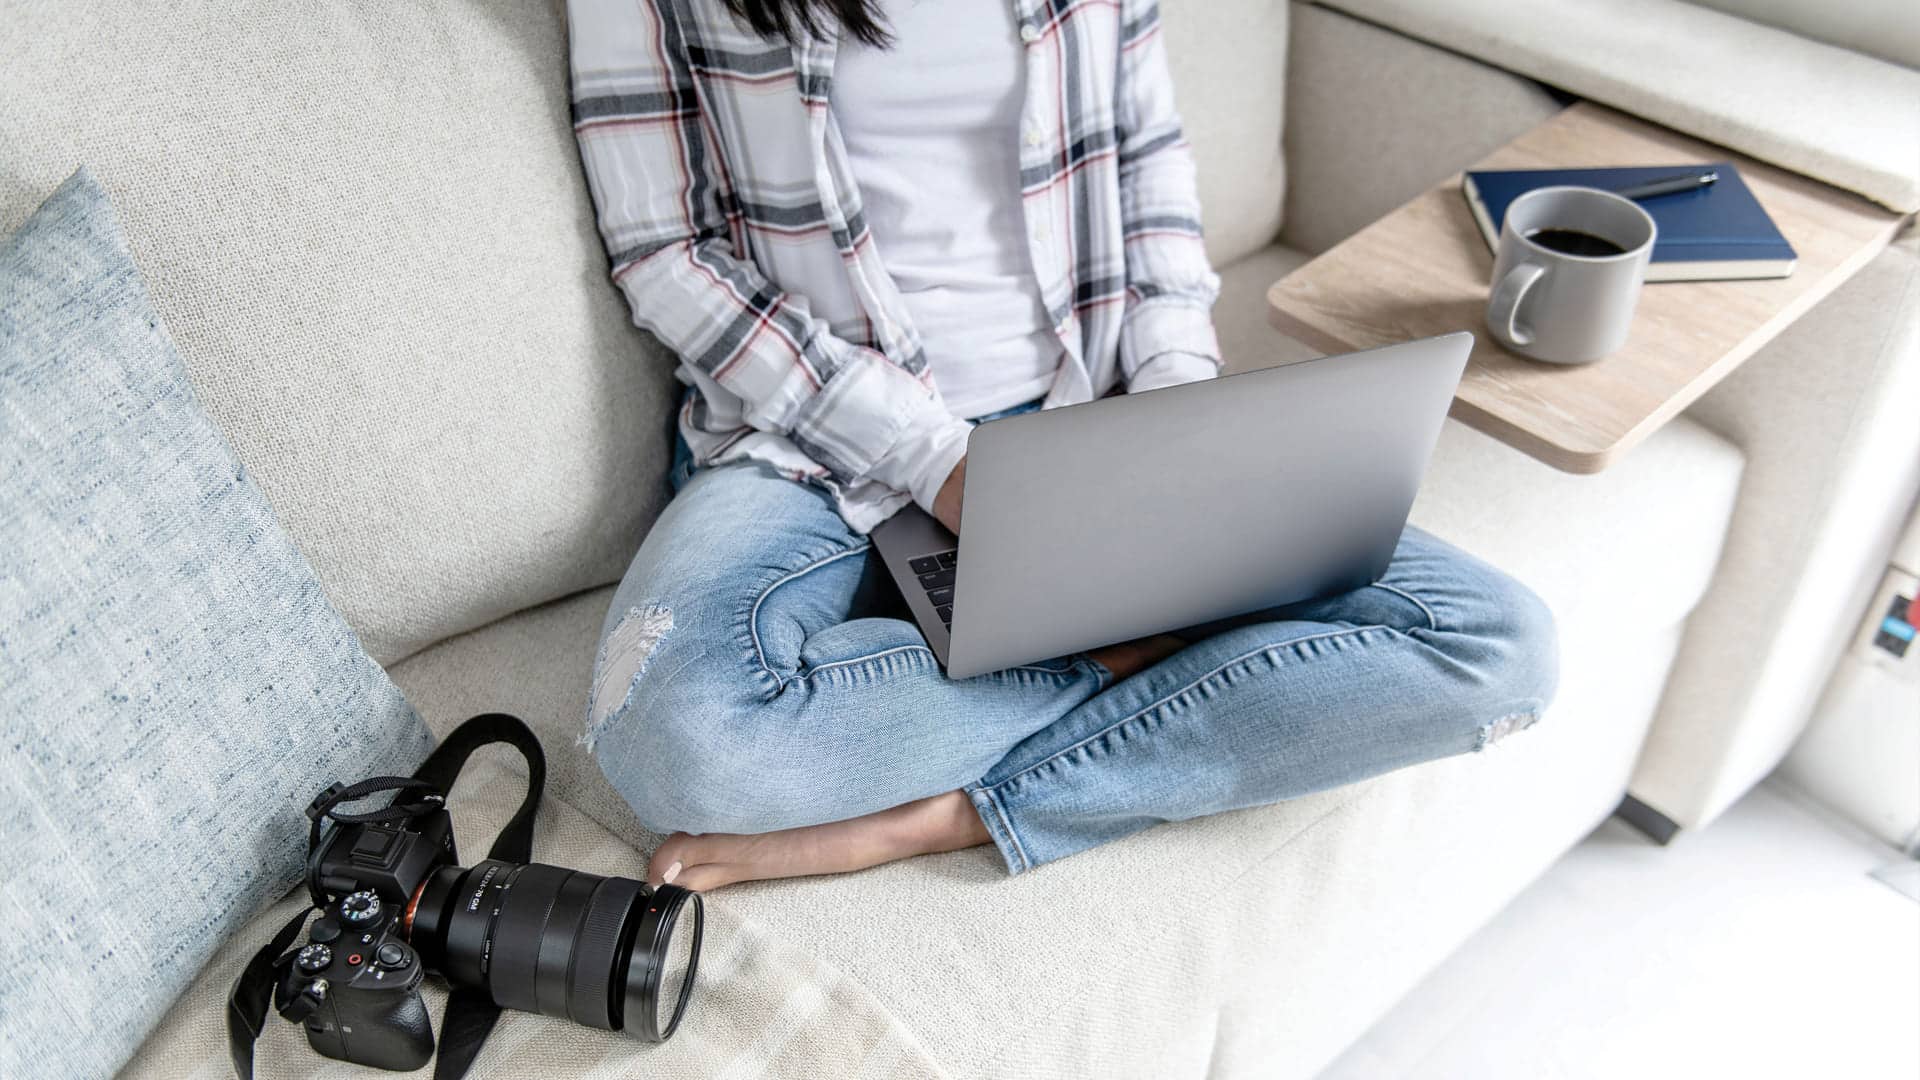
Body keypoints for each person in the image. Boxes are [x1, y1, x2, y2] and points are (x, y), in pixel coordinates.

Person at [567, 0, 1559, 890]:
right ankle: (1141, 648)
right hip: (811, 439)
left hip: (1087, 406)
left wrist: (1178, 414)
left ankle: (974, 810)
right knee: (675, 740)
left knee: (1500, 643)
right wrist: (937, 461)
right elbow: (668, 257)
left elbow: (1150, 169)